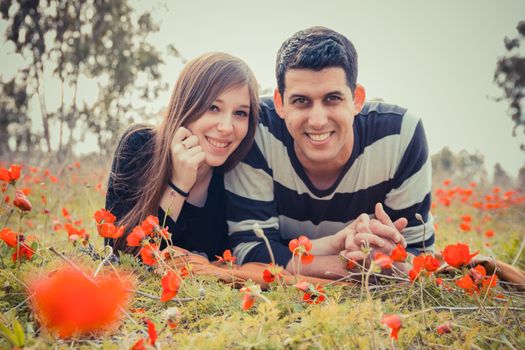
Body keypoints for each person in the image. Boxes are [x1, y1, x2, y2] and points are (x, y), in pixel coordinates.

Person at [225, 27, 433, 278]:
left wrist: (392, 255)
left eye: (332, 98)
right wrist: (351, 266)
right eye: (301, 101)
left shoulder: (401, 135)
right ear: (280, 103)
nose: (317, 121)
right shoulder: (257, 129)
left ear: (357, 99)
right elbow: (250, 249)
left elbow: (420, 254)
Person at [106, 52, 259, 260]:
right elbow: (122, 259)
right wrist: (179, 184)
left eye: (240, 113)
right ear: (187, 104)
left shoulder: (240, 174)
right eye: (213, 108)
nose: (226, 127)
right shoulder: (140, 146)